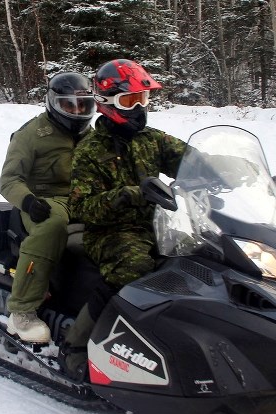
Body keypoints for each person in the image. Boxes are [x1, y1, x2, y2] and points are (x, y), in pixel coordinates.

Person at [62, 59, 187, 379]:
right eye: (131, 101)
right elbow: (82, 208)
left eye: (143, 100)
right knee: (133, 267)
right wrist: (128, 194)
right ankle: (77, 346)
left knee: (204, 259)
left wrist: (230, 171)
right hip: (110, 230)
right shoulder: (91, 149)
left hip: (157, 225)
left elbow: (191, 160)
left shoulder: (153, 139)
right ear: (108, 103)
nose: (140, 108)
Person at [0, 72, 96, 343]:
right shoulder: (31, 134)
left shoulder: (92, 137)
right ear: (53, 103)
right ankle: (22, 310)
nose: (77, 112)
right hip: (46, 202)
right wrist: (28, 201)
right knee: (53, 225)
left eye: (83, 105)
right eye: (69, 106)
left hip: (85, 200)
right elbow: (9, 180)